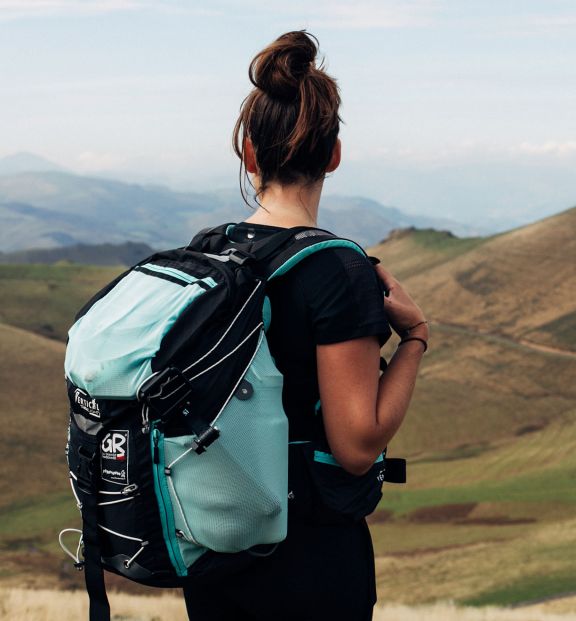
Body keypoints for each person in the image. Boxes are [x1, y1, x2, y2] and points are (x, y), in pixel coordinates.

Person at [180, 30, 429, 620]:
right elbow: (357, 446)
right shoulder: (337, 270)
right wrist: (416, 338)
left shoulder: (211, 251)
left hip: (215, 549)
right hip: (308, 566)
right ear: (335, 154)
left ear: (248, 153)